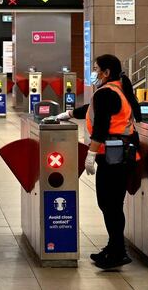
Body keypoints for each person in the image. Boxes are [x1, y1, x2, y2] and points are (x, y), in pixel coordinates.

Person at [61, 53, 141, 270]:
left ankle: (118, 252)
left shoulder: (107, 92)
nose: (94, 72)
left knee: (110, 204)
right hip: (122, 155)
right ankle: (114, 247)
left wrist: (90, 153)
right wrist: (68, 114)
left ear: (106, 72)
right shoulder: (118, 89)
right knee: (111, 204)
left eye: (96, 68)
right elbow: (92, 109)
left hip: (113, 157)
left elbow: (101, 126)